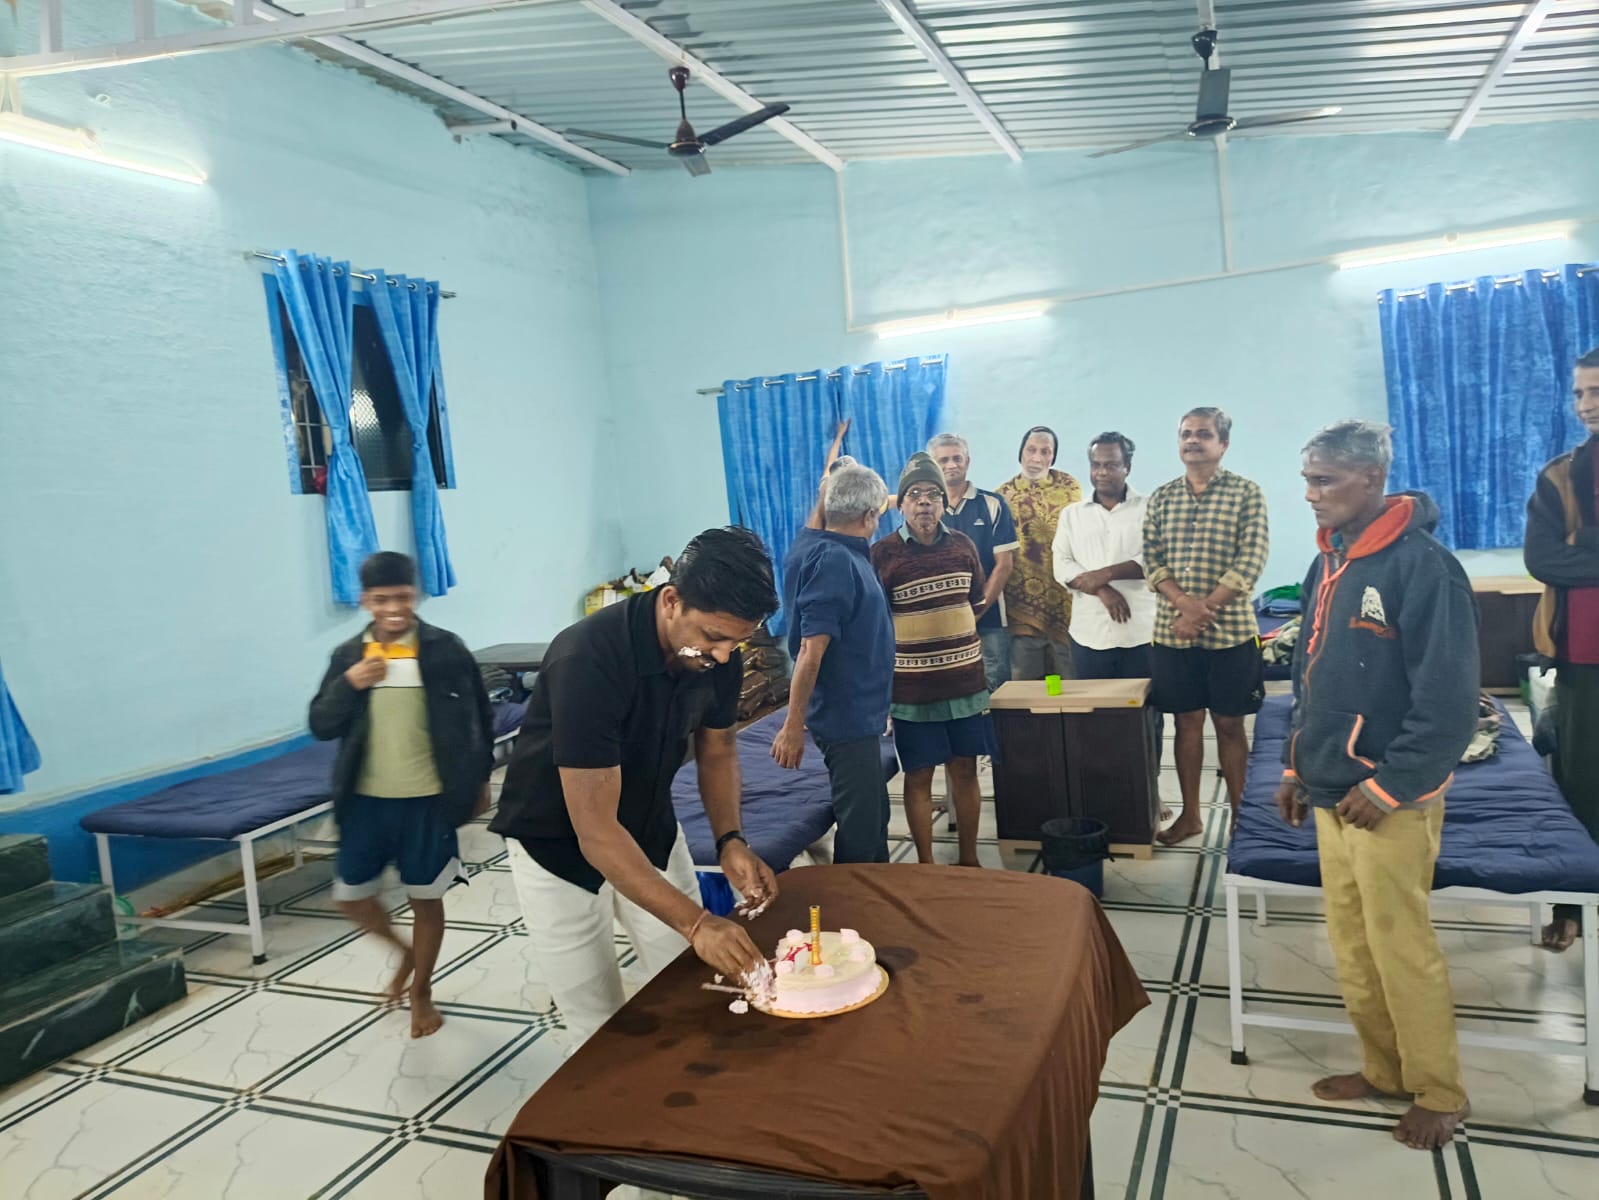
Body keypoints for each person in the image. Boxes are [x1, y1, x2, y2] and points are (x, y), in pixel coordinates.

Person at [491, 528, 783, 1050]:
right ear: (671, 601)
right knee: (596, 1018)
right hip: (557, 844)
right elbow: (596, 832)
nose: (722, 656)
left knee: (687, 978)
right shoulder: (588, 659)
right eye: (713, 636)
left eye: (735, 642)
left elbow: (718, 750)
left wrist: (730, 840)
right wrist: (698, 923)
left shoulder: (718, 655)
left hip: (648, 824)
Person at [1274, 420, 1478, 1151]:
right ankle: (1384, 1070)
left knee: (1400, 948)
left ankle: (1439, 1091)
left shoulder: (1424, 569)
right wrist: (1297, 766)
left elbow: (1449, 702)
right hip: (1331, 790)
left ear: (1371, 479)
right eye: (1307, 479)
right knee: (1353, 944)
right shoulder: (1328, 560)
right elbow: (1308, 677)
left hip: (1389, 801)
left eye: (1323, 480)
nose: (1310, 494)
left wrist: (1390, 785)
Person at [309, 551, 494, 1039]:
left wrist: (479, 779)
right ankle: (406, 953)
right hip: (364, 801)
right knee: (351, 897)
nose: (394, 608)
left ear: (416, 595)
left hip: (429, 800)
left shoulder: (445, 650)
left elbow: (480, 715)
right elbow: (321, 724)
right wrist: (350, 685)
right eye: (382, 599)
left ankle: (421, 991)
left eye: (403, 597)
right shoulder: (348, 656)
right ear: (365, 601)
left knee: (426, 899)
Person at [1143, 407, 1269, 844]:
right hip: (1172, 633)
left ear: (1223, 444)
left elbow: (1252, 558)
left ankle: (1241, 821)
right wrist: (1183, 604)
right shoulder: (1162, 498)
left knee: (1230, 726)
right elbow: (1152, 559)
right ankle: (1191, 817)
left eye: (1203, 434)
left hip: (1231, 633)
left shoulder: (1246, 493)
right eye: (1186, 434)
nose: (1192, 440)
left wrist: (1203, 610)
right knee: (1186, 723)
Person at [870, 453, 996, 867]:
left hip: (965, 686)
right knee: (919, 774)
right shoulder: (882, 554)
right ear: (901, 505)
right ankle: (926, 865)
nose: (924, 502)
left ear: (944, 503)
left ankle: (969, 859)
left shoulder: (964, 545)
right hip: (912, 692)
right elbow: (877, 624)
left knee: (965, 771)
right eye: (914, 494)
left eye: (933, 494)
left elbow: (975, 601)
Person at [773, 464, 896, 864]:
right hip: (846, 718)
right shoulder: (835, 561)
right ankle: (854, 897)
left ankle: (879, 889)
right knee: (861, 828)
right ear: (869, 516)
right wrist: (792, 725)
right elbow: (811, 650)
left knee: (875, 815)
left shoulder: (815, 544)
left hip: (860, 713)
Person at [1526, 345, 1599, 952]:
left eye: (1596, 392)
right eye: (1578, 393)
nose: (1585, 404)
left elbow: (1568, 554)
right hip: (1582, 652)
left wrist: (1584, 548)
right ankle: (1573, 906)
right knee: (1580, 780)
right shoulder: (1560, 476)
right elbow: (1543, 558)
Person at [1051, 432, 1164, 780]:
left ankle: (1147, 793)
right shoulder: (1073, 514)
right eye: (1096, 465)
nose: (1102, 472)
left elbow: (1156, 560)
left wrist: (1105, 574)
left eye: (1111, 465)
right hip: (1089, 635)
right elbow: (1061, 564)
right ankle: (1104, 793)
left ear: (1127, 467)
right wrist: (1103, 590)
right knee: (1094, 719)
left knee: (1145, 718)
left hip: (1140, 634)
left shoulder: (1150, 508)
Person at [928, 433, 1019, 693]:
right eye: (943, 460)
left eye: (957, 458)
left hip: (989, 620)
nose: (951, 465)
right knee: (950, 694)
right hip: (942, 625)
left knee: (997, 695)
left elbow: (1004, 565)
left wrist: (975, 612)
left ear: (967, 461)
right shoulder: (926, 509)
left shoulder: (992, 504)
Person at [996, 426, 1081, 681]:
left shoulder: (1070, 488)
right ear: (1020, 453)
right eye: (1031, 450)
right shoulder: (1003, 496)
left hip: (1064, 602)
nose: (1037, 457)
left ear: (1053, 456)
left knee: (1070, 684)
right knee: (1027, 685)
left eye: (1045, 451)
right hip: (1021, 604)